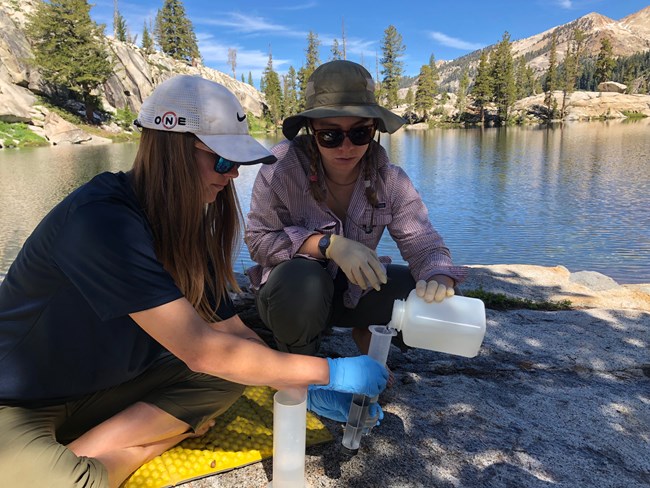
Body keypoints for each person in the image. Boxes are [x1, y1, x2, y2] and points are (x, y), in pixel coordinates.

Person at [0, 75, 388, 488]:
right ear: (171, 150)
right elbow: (202, 351)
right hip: (18, 401)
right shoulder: (101, 222)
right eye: (222, 160)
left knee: (234, 375)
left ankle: (83, 452)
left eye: (237, 163)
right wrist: (328, 371)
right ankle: (137, 447)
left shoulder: (184, 229)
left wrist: (296, 382)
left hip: (103, 390)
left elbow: (230, 332)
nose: (233, 175)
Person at [245, 60, 468, 357]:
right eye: (330, 135)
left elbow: (424, 244)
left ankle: (370, 336)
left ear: (374, 129)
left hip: (355, 294)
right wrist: (327, 245)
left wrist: (439, 278)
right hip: (293, 294)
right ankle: (299, 359)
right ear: (312, 129)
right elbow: (258, 240)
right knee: (304, 282)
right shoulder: (280, 168)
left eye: (360, 133)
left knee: (428, 296)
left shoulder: (391, 180)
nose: (346, 148)